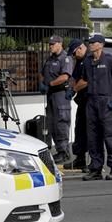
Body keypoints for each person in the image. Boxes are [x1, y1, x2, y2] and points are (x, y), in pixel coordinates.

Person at [75, 34, 112, 181]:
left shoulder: (110, 60)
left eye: (93, 42)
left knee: (110, 136)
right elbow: (84, 80)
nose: (90, 45)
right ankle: (96, 169)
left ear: (101, 44)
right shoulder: (87, 61)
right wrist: (72, 89)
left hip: (107, 102)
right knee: (93, 137)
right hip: (91, 102)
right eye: (90, 42)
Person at [39, 35, 73, 164]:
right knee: (52, 124)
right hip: (51, 95)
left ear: (60, 44)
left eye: (53, 44)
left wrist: (50, 85)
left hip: (60, 95)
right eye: (50, 44)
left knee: (61, 124)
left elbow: (64, 77)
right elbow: (42, 74)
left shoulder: (66, 59)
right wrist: (42, 83)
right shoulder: (49, 59)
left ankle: (64, 152)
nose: (50, 46)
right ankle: (59, 150)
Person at [63, 39, 89, 172]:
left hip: (91, 101)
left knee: (90, 132)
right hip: (83, 101)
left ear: (80, 48)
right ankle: (80, 159)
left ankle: (92, 162)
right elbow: (75, 77)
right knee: (79, 130)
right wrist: (70, 87)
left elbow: (86, 80)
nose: (73, 56)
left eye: (74, 53)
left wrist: (74, 89)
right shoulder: (80, 60)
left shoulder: (90, 58)